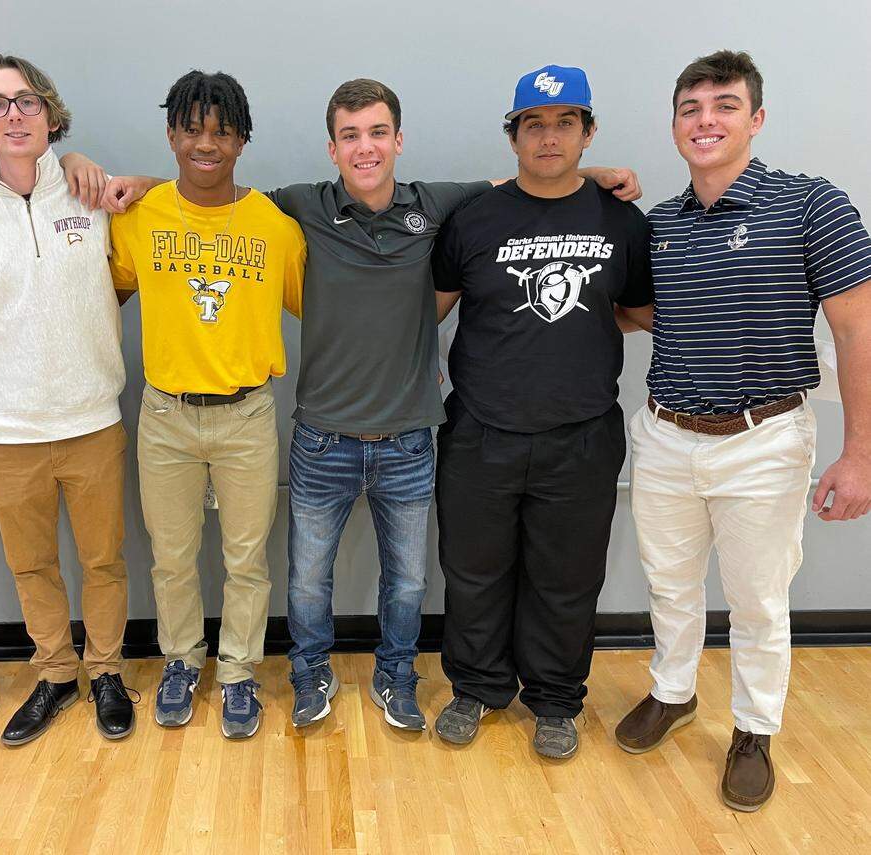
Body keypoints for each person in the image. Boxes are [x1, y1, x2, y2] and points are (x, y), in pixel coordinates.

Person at [105, 80, 641, 733]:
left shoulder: (443, 205)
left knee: (408, 583)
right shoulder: (295, 208)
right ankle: (306, 674)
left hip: (410, 437)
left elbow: (530, 179)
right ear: (332, 148)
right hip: (321, 438)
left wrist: (593, 172)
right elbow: (212, 190)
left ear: (398, 140)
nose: (366, 148)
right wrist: (136, 181)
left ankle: (396, 675)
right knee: (305, 583)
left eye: (378, 132)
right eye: (351, 136)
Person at [614, 50, 871, 811]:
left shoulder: (811, 205)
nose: (706, 120)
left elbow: (857, 331)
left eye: (724, 105)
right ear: (674, 127)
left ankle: (755, 728)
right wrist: (598, 192)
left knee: (759, 599)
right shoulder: (661, 224)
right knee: (670, 583)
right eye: (691, 108)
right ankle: (674, 690)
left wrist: (860, 454)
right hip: (664, 435)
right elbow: (641, 314)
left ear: (755, 119)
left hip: (764, 439)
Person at [431, 65, 653, 758]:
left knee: (567, 577)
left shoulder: (620, 218)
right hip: (480, 432)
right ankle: (475, 686)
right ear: (515, 135)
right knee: (473, 570)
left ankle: (556, 699)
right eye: (535, 124)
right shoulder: (473, 217)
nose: (549, 136)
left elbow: (640, 310)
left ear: (587, 132)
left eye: (564, 123)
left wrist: (580, 327)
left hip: (581, 434)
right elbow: (429, 310)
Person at [0, 52, 137, 746]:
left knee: (104, 560)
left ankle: (107, 669)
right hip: (5, 429)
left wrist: (99, 168)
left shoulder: (92, 190)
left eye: (27, 101)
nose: (14, 114)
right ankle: (55, 672)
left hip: (92, 420)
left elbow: (171, 206)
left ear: (50, 114)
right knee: (32, 566)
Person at [109, 70, 305, 739]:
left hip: (248, 415)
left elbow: (324, 307)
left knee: (247, 558)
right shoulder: (140, 216)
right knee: (171, 555)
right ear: (171, 134)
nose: (206, 144)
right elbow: (97, 294)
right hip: (164, 415)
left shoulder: (275, 227)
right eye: (192, 129)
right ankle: (182, 661)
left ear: (242, 141)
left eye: (222, 131)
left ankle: (241, 671)